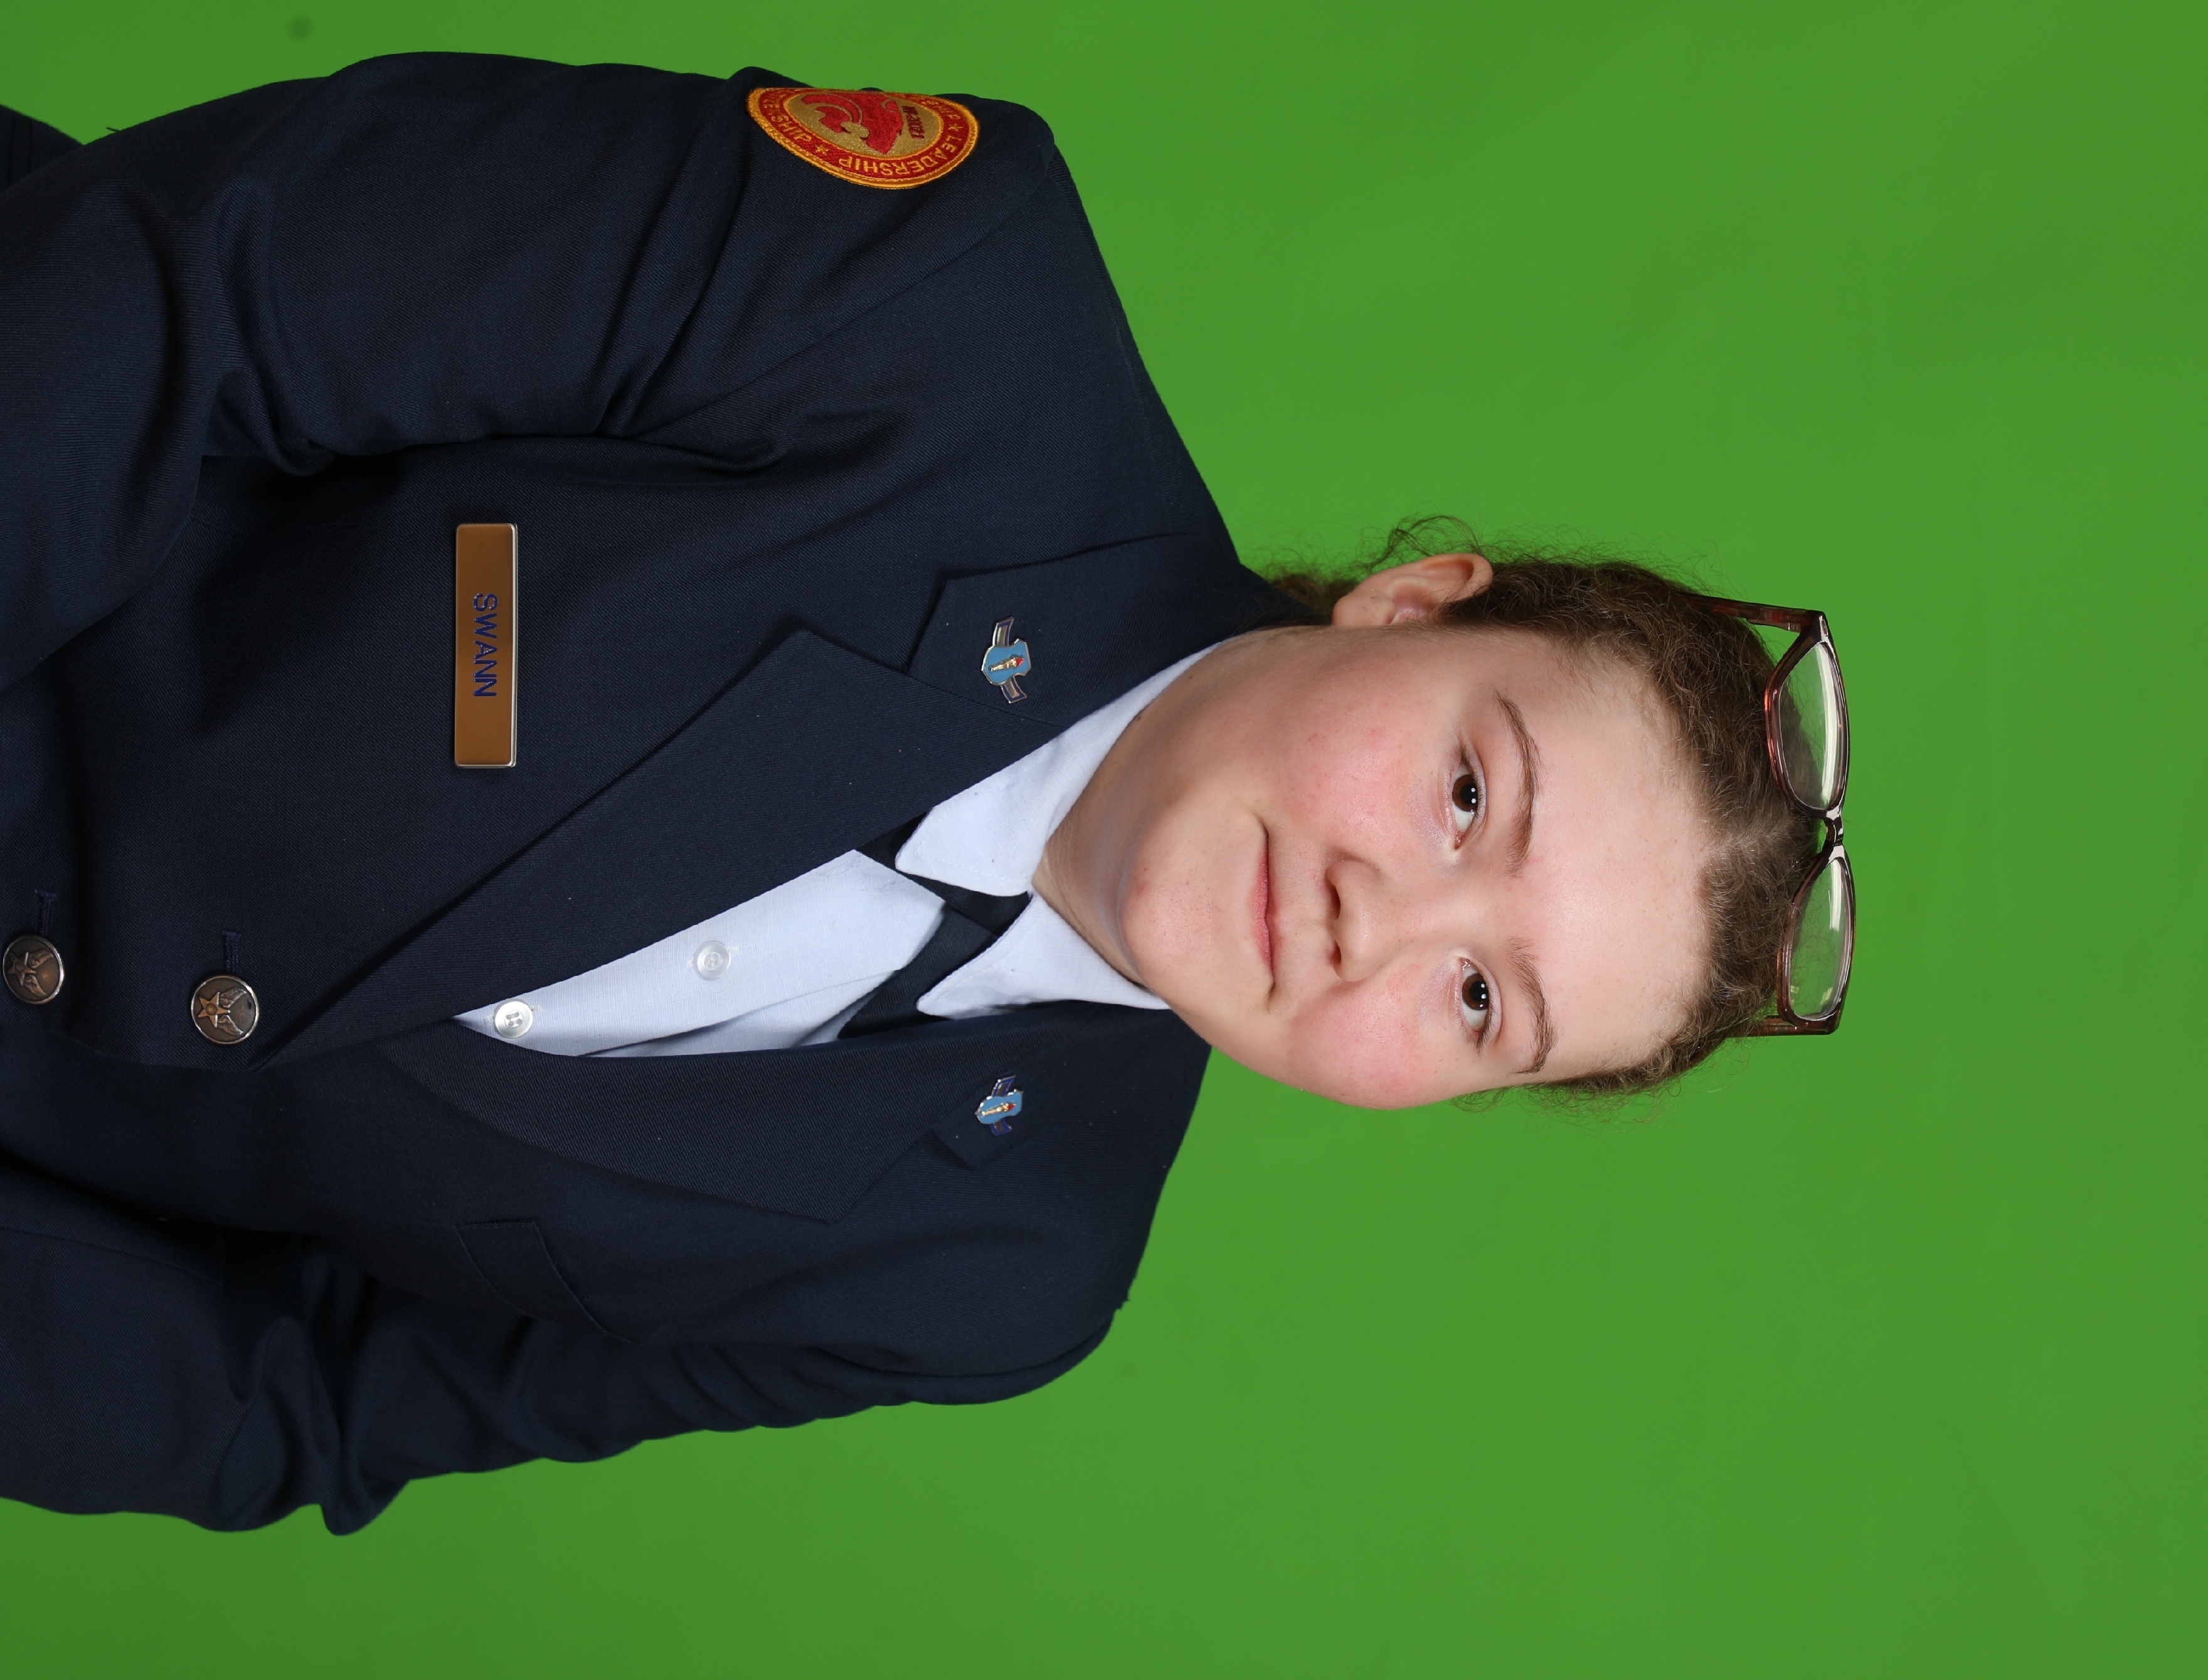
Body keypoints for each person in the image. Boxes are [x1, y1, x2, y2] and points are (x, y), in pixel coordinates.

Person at [0, 54, 1850, 1532]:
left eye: (1483, 1003)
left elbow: (306, 1398)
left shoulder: (1001, 1275)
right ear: (1416, 603)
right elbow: (192, 281)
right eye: (1466, 793)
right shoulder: (946, 295)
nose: (1386, 922)